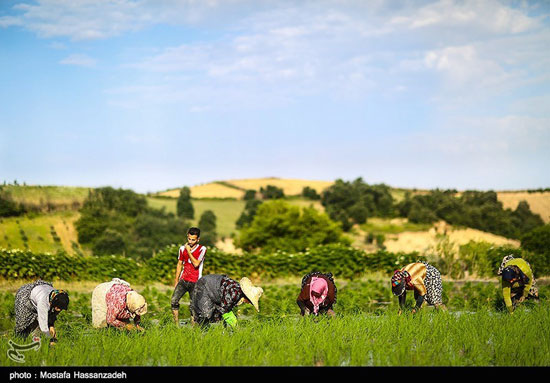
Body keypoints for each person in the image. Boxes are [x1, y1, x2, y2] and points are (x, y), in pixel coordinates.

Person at [190, 274, 263, 327]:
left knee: (217, 315)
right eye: (250, 301)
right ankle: (197, 329)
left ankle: (203, 329)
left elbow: (226, 308)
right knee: (204, 315)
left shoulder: (238, 292)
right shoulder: (235, 294)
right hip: (205, 285)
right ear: (247, 297)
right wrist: (235, 325)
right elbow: (224, 310)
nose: (248, 303)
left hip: (214, 288)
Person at [14, 279, 69, 346]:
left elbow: (52, 314)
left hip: (41, 292)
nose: (59, 310)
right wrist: (51, 339)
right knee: (22, 327)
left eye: (61, 308)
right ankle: (18, 341)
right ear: (53, 303)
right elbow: (43, 326)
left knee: (37, 328)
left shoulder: (57, 297)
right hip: (26, 299)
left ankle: (35, 344)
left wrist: (51, 326)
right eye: (58, 307)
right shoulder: (43, 303)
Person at [171, 227, 207, 325]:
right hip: (183, 280)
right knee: (174, 301)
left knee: (193, 307)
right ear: (187, 237)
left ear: (198, 239)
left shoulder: (202, 249)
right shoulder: (182, 249)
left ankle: (193, 328)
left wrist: (189, 251)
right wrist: (176, 280)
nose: (190, 241)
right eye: (189, 239)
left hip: (195, 281)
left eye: (193, 240)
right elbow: (179, 264)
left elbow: (196, 264)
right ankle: (176, 325)